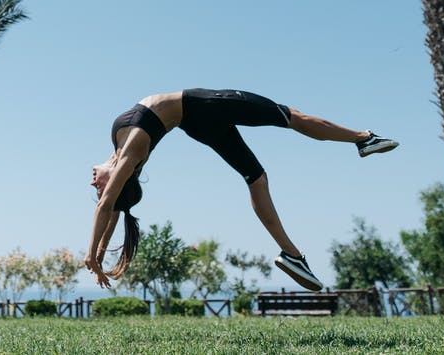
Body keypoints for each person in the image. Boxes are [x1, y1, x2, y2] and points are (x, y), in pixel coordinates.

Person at [84, 88, 398, 291]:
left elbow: (112, 209)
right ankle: (362, 138)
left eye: (96, 186)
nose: (93, 182)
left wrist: (99, 256)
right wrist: (91, 256)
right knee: (290, 117)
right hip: (204, 107)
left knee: (256, 178)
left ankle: (291, 255)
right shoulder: (133, 150)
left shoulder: (122, 154)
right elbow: (107, 206)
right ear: (117, 181)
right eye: (98, 187)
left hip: (196, 123)